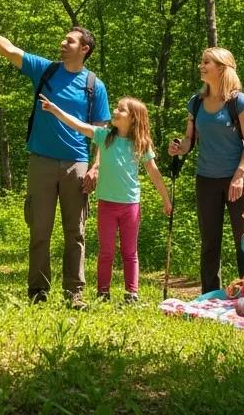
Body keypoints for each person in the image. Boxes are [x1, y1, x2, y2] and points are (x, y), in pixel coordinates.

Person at [0, 11, 110, 307]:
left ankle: (74, 293)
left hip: (76, 164)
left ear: (84, 49)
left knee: (75, 232)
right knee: (40, 229)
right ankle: (38, 291)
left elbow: (101, 131)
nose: (63, 43)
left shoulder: (94, 86)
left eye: (70, 40)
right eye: (64, 39)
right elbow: (8, 48)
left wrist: (96, 167)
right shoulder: (46, 71)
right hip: (40, 162)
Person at [41, 94, 172, 302]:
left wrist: (166, 199)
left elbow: (154, 172)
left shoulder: (141, 144)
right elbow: (79, 125)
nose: (115, 112)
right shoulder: (104, 136)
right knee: (106, 252)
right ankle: (103, 292)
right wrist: (56, 110)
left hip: (130, 206)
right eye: (116, 108)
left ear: (134, 119)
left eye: (121, 110)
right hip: (107, 204)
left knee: (130, 252)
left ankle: (132, 293)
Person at [168, 47, 244, 294]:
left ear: (221, 67)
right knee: (209, 241)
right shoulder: (195, 103)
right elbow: (189, 140)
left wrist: (239, 175)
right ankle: (210, 294)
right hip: (206, 178)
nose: (201, 65)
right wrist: (180, 148)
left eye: (206, 62)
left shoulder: (238, 101)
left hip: (239, 178)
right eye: (201, 61)